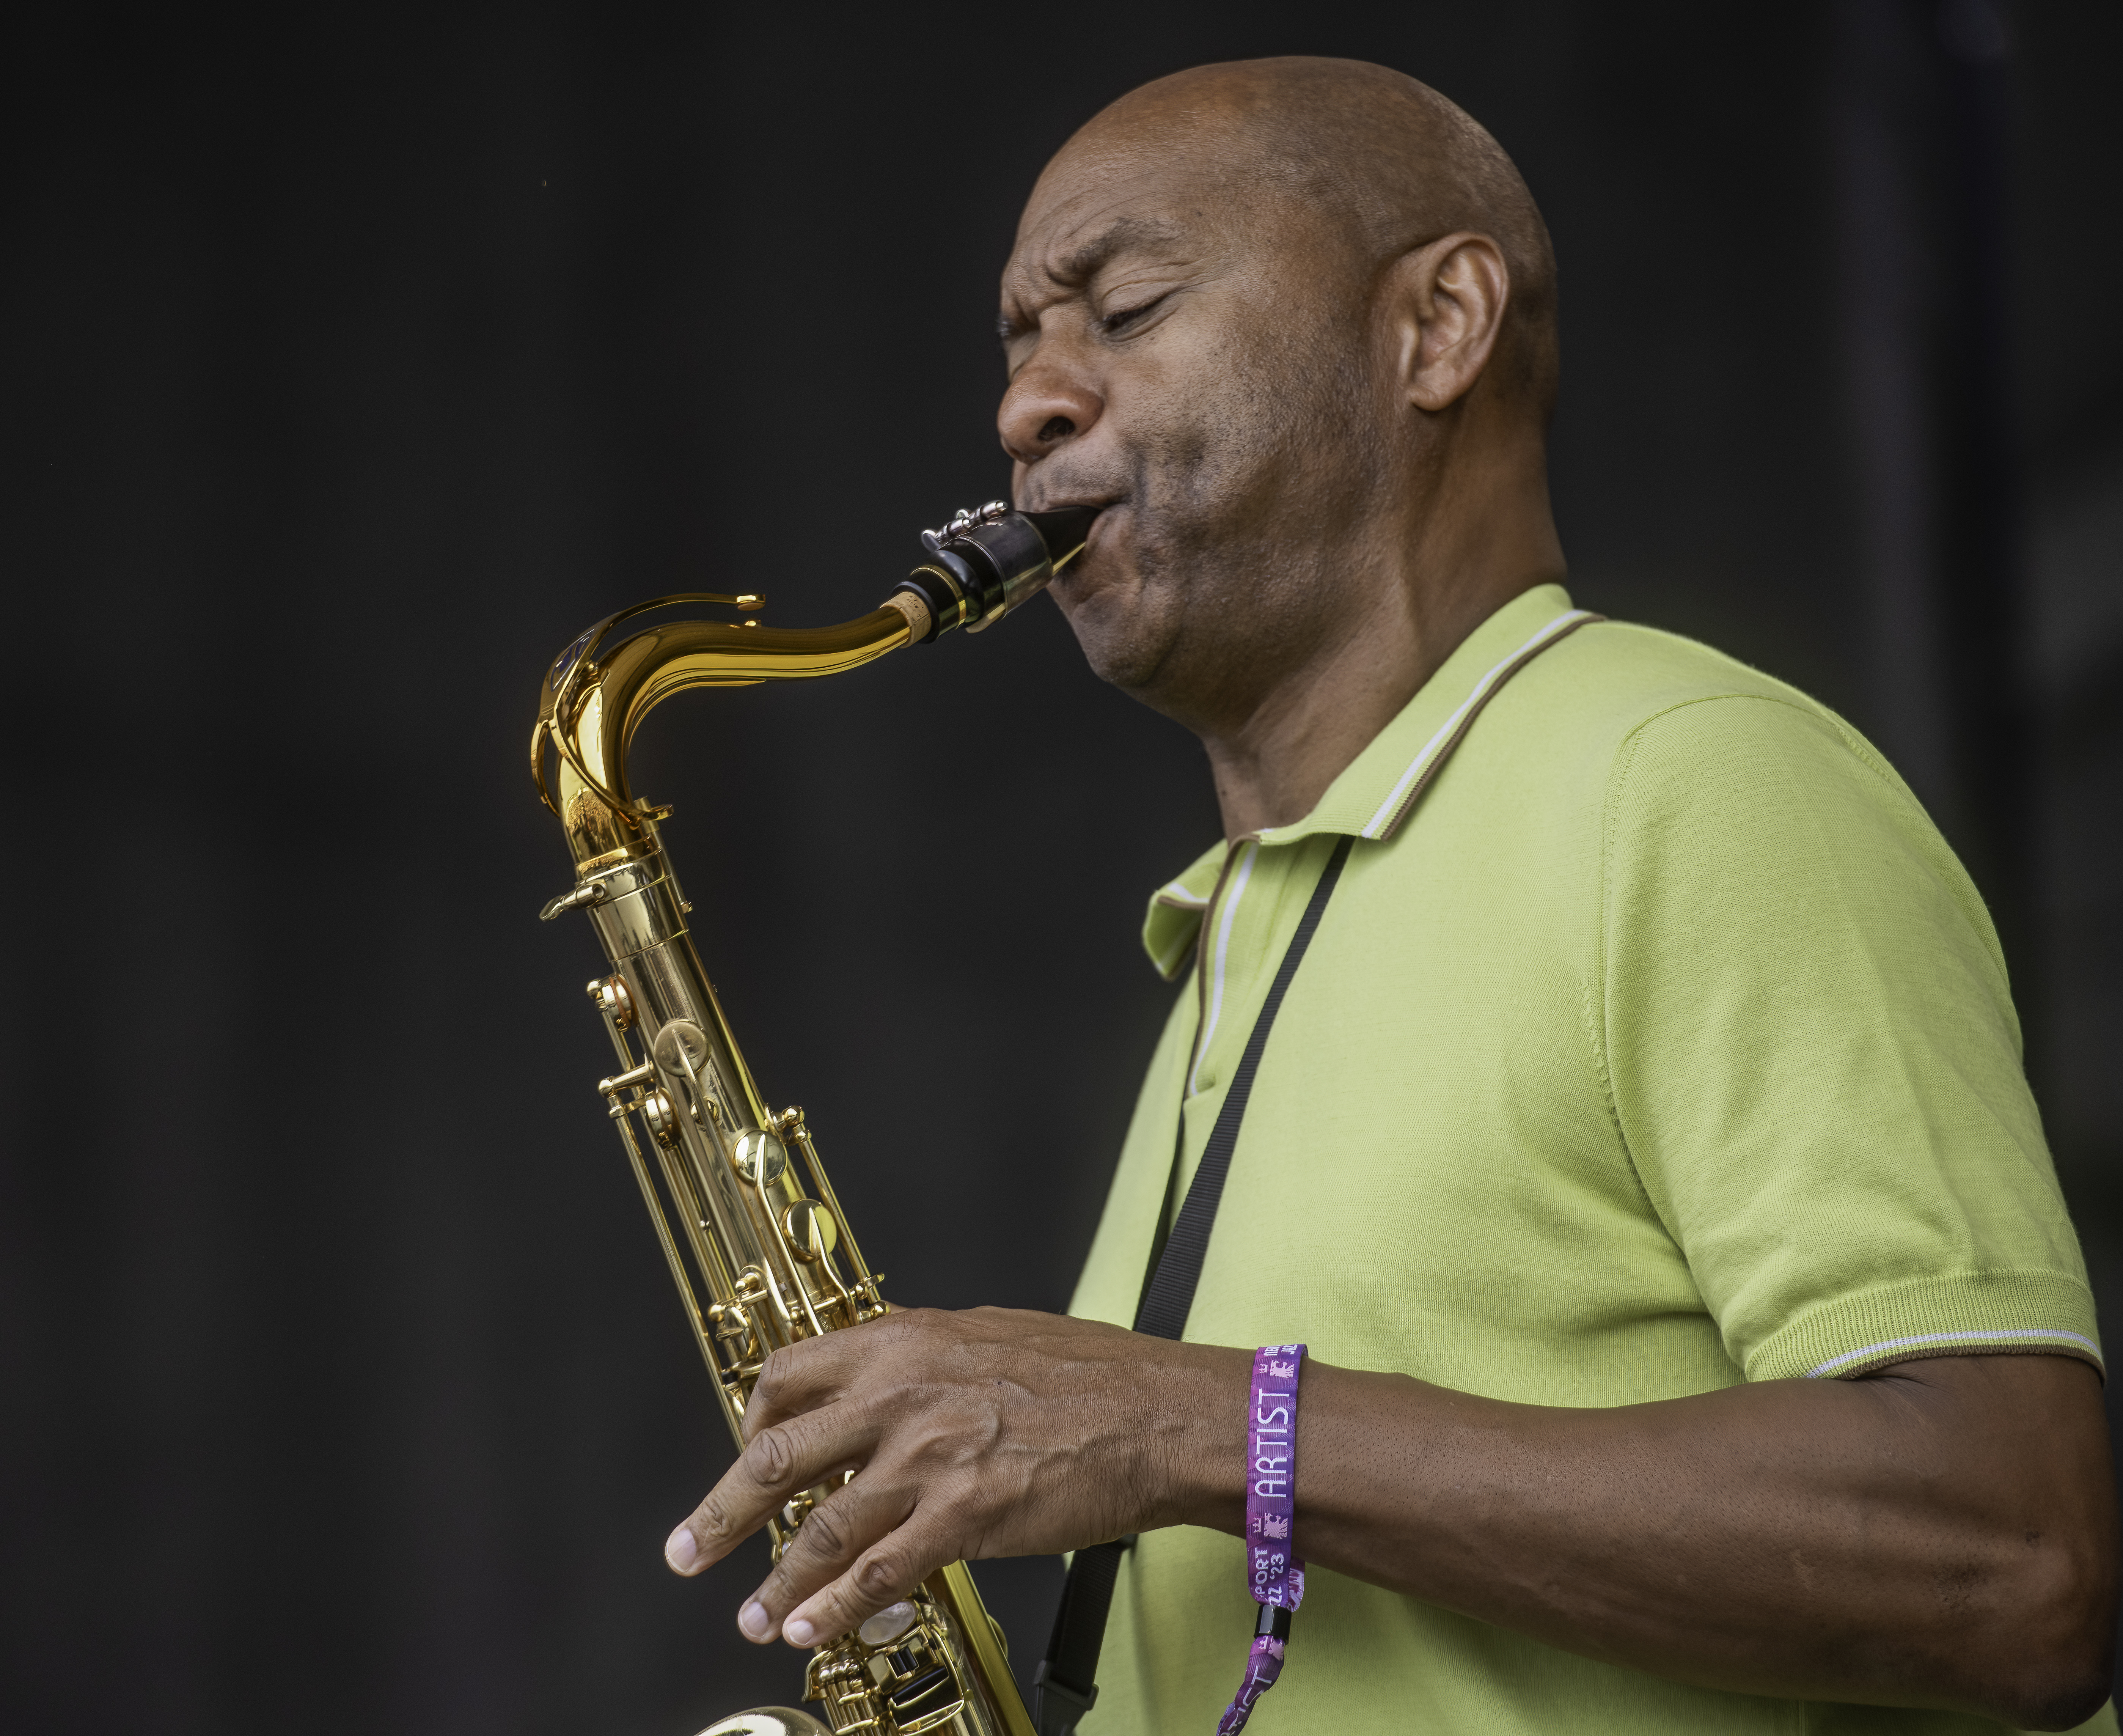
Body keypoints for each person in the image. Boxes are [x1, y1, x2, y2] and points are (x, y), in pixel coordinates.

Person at [661, 56, 2119, 1734]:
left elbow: (2014, 1560)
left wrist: (1197, 1427)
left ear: (1436, 325)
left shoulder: (1683, 774)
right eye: (1015, 347)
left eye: (1122, 309)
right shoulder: (1235, 931)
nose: (1026, 410)